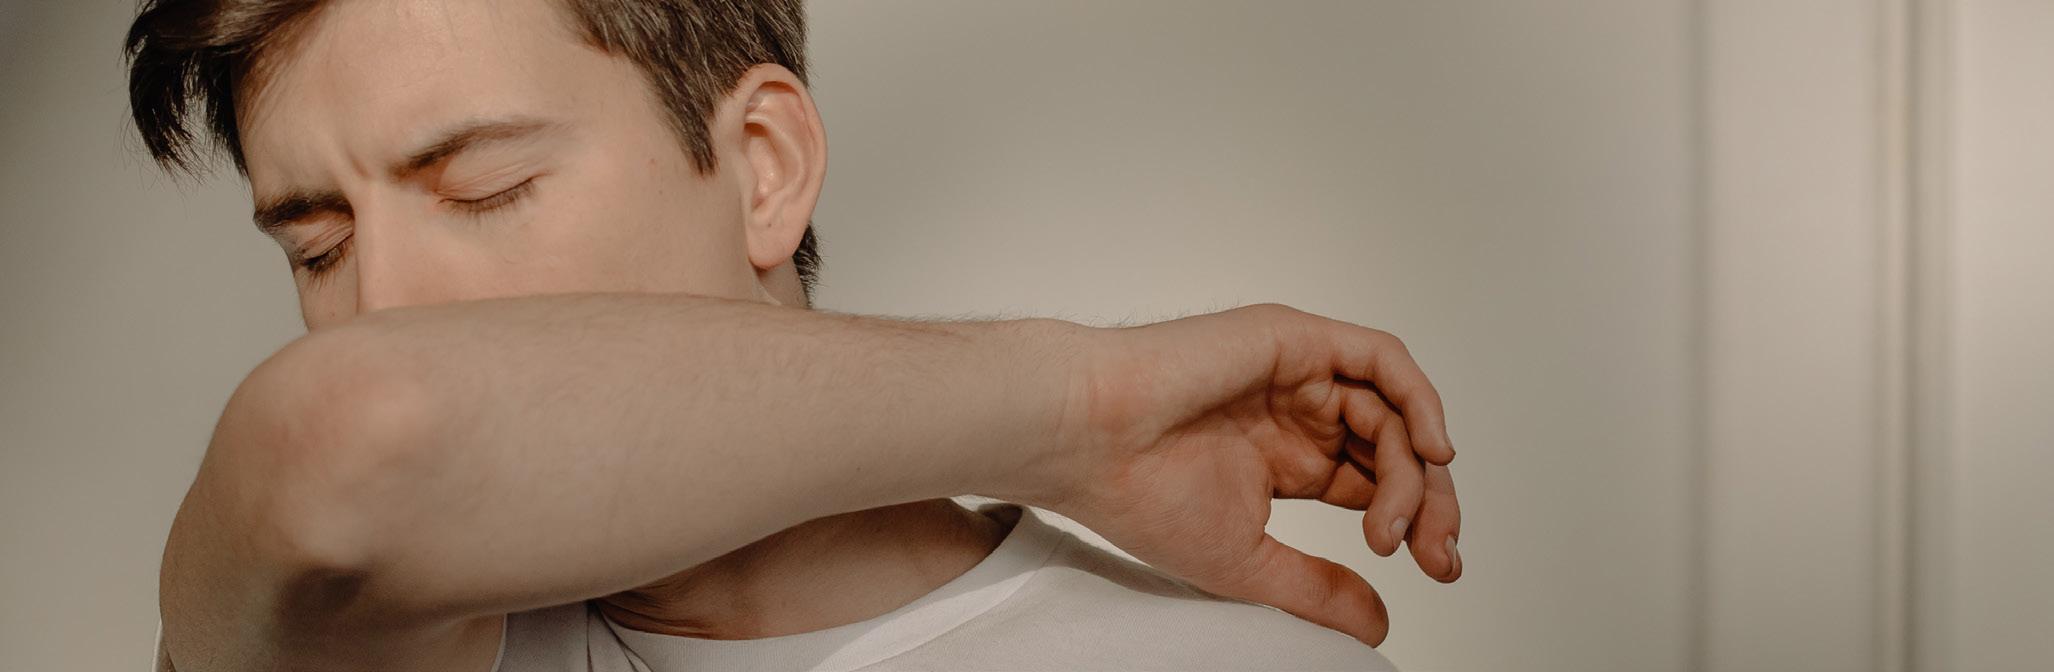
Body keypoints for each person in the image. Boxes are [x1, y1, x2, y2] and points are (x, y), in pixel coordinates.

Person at [125, 0, 1464, 670]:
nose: (378, 310)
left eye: (484, 190)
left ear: (763, 168)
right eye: (319, 249)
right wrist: (1080, 411)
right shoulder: (372, 643)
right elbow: (342, 437)